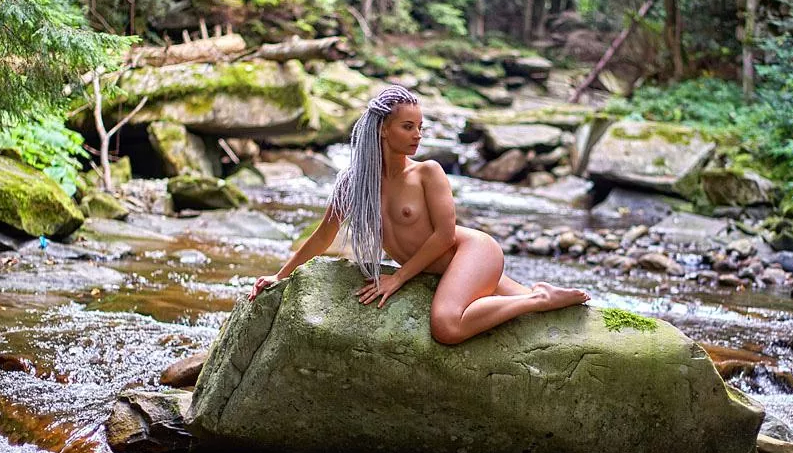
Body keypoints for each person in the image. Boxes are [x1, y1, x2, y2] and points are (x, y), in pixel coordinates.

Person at [248, 85, 589, 344]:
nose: (418, 136)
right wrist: (280, 276)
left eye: (420, 127)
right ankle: (541, 294)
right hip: (448, 270)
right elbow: (323, 236)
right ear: (383, 128)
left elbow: (445, 234)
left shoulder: (428, 172)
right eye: (407, 127)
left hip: (471, 254)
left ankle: (538, 298)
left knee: (447, 326)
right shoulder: (353, 184)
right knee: (554, 309)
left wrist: (399, 277)